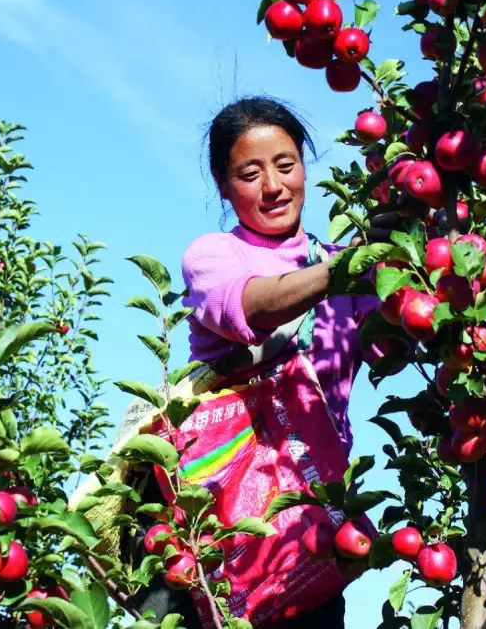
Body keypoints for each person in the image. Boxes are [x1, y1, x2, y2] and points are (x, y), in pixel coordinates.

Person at [174, 96, 380, 627]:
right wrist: (342, 270)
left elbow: (403, 344)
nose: (273, 186)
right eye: (250, 173)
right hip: (224, 522)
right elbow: (252, 305)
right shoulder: (214, 254)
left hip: (311, 527)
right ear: (224, 185)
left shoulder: (348, 266)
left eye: (286, 166)